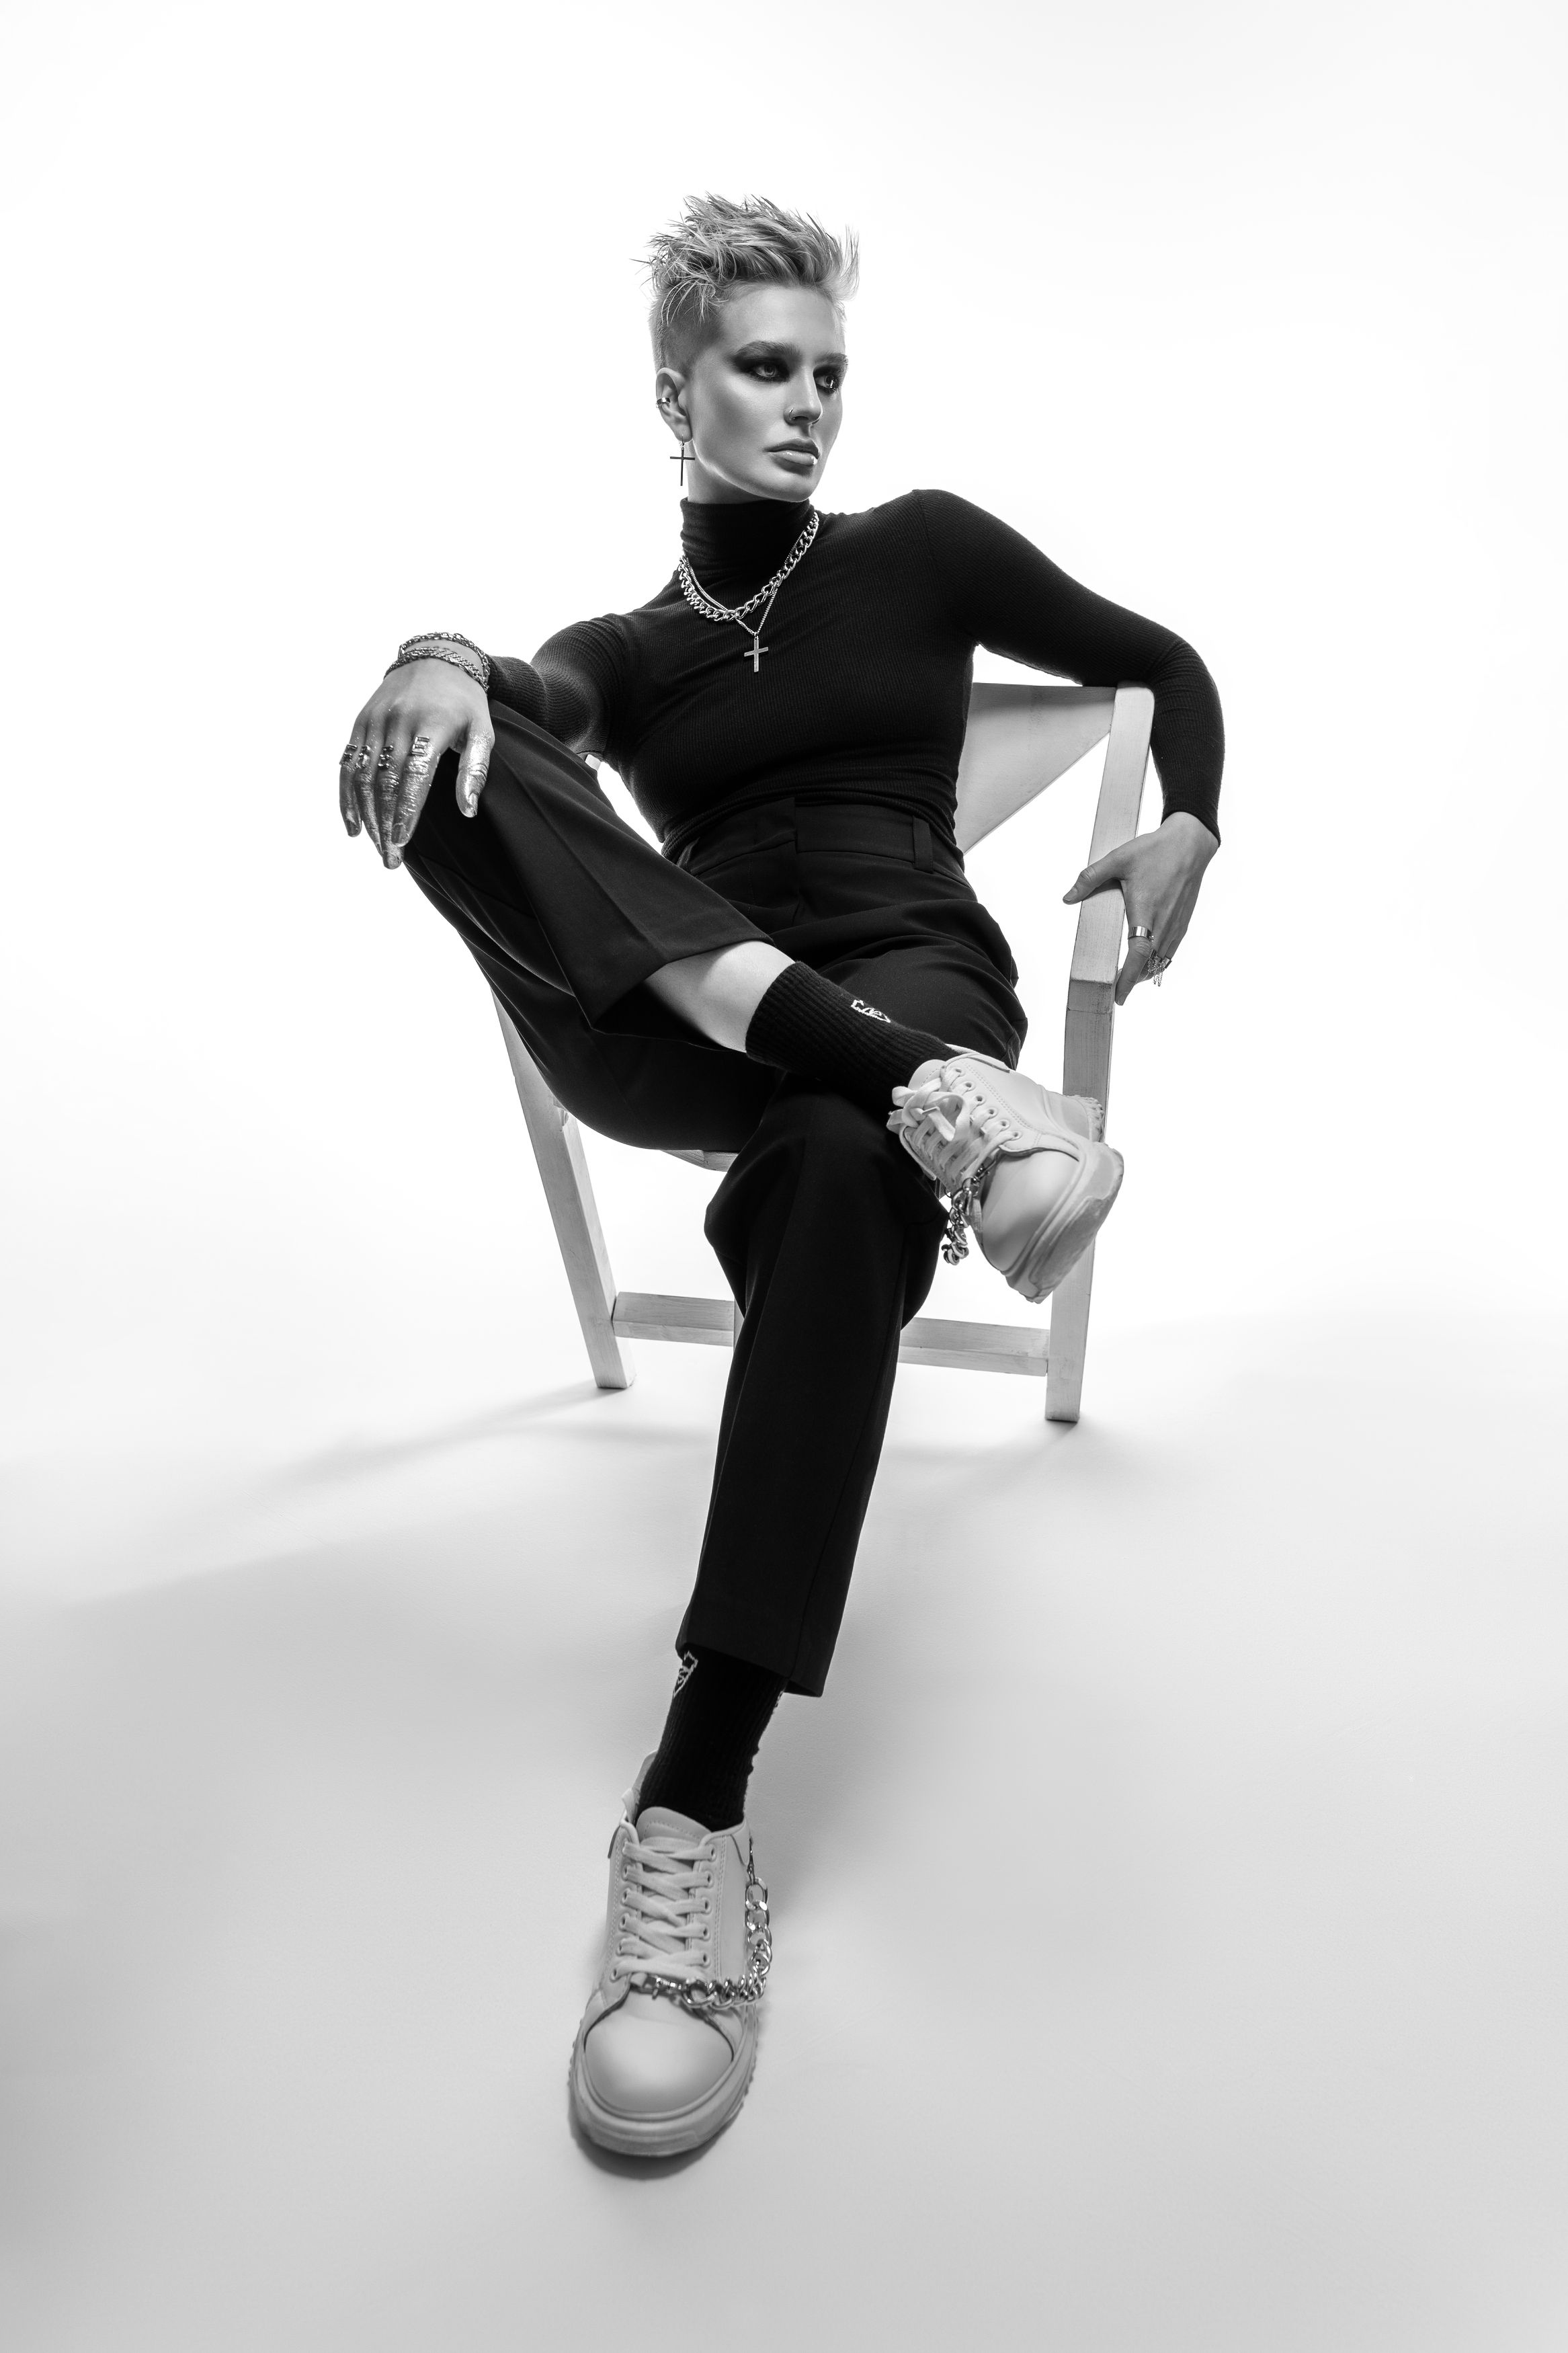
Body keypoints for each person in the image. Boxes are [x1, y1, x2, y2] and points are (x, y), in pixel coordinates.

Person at [338, 194, 1223, 2158]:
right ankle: (958, 1113)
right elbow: (524, 694)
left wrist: (1192, 822)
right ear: (678, 396)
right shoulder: (623, 651)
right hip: (694, 1018)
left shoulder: (921, 551)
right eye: (764, 367)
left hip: (907, 968)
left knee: (832, 1157)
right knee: (460, 755)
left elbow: (1158, 659)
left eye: (829, 370)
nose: (810, 402)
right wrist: (431, 655)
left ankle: (699, 1791)